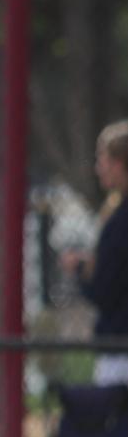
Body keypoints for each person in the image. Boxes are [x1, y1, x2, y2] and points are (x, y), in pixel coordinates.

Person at [65, 120, 128, 387]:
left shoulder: (119, 223)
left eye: (102, 160)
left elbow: (105, 291)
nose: (98, 169)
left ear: (119, 163)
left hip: (119, 350)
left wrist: (79, 270)